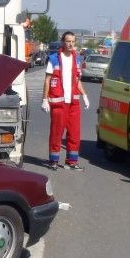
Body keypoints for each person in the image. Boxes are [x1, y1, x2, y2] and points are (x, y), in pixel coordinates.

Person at [40, 31, 89, 170]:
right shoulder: (54, 58)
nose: (71, 44)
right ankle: (53, 161)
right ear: (63, 42)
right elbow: (48, 80)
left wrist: (84, 95)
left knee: (75, 133)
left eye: (73, 41)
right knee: (56, 133)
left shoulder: (77, 59)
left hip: (73, 103)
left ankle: (71, 162)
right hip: (59, 103)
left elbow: (77, 81)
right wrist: (44, 99)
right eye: (68, 41)